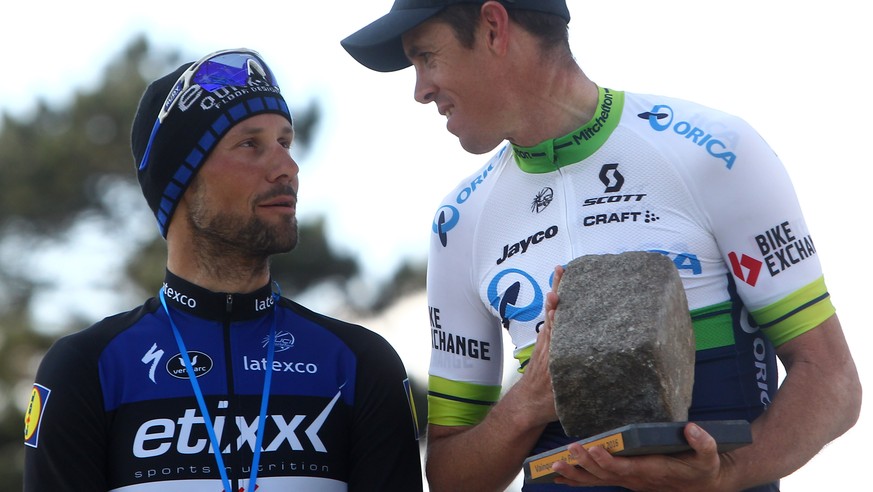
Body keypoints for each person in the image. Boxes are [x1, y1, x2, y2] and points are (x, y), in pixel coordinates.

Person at [341, 1, 862, 491]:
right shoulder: (459, 221)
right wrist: (529, 402)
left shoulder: (713, 151)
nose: (420, 90)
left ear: (494, 28)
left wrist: (725, 475)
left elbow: (832, 381)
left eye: (426, 58)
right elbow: (452, 476)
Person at [23, 48, 423, 492]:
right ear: (182, 180)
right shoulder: (87, 368)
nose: (287, 168)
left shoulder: (359, 363)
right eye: (251, 144)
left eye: (285, 143)